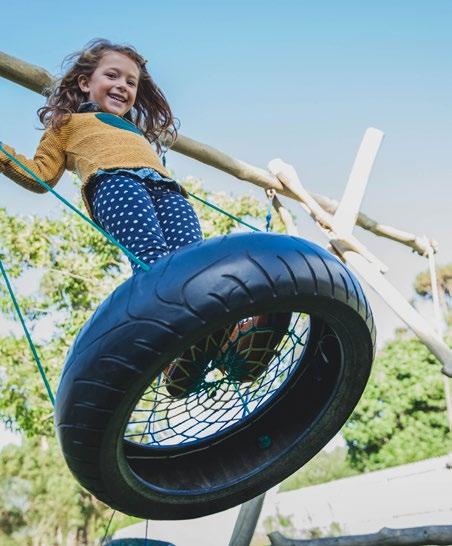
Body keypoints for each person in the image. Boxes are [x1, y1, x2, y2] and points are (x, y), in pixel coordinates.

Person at [0, 38, 290, 397]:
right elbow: (39, 175)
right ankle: (174, 354)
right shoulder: (67, 124)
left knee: (193, 267)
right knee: (153, 262)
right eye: (112, 75)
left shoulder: (135, 131)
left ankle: (230, 345)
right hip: (115, 184)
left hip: (169, 192)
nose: (122, 85)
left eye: (131, 82)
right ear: (85, 82)